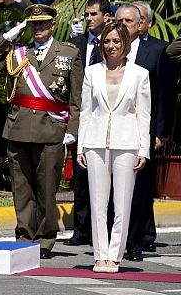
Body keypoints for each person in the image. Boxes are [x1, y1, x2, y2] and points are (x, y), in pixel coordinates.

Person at [0, 4, 82, 259]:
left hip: (51, 129)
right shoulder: (18, 53)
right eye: (33, 24)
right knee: (22, 188)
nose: (38, 28)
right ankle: (24, 237)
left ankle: (45, 240)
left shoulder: (68, 54)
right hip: (18, 128)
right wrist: (8, 36)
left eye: (42, 23)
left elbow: (76, 99)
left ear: (52, 25)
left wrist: (72, 129)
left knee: (47, 189)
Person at [77, 22, 150, 274]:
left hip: (127, 144)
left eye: (116, 41)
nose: (111, 46)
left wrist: (144, 150)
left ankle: (115, 255)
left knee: (122, 204)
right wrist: (80, 148)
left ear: (125, 44)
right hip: (95, 144)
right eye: (107, 41)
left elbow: (144, 115)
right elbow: (85, 112)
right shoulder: (92, 73)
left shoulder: (140, 74)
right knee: (97, 203)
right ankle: (100, 255)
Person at [115, 3, 176, 261]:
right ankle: (114, 240)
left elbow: (165, 95)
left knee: (138, 189)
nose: (122, 26)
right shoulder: (107, 51)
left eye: (128, 21)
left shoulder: (157, 52)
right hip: (113, 130)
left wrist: (161, 133)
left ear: (141, 25)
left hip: (143, 131)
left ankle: (135, 242)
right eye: (118, 21)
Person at [65, 0, 112, 247]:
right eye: (86, 15)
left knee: (108, 176)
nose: (89, 19)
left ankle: (102, 230)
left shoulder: (114, 43)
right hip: (82, 115)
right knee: (81, 175)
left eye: (93, 14)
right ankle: (81, 229)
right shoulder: (76, 44)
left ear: (107, 16)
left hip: (107, 115)